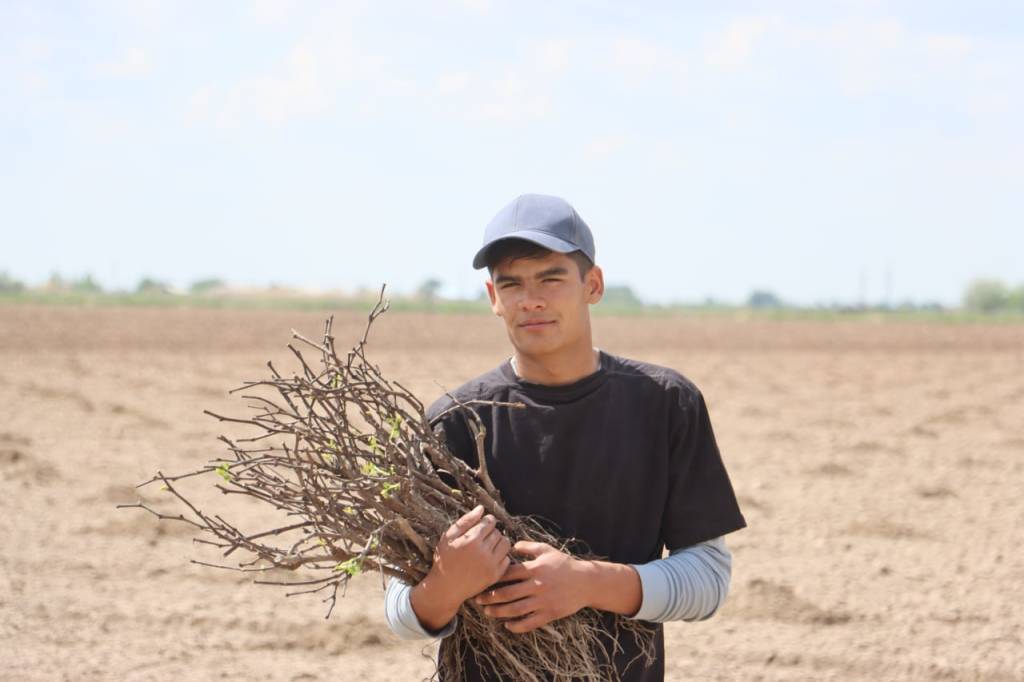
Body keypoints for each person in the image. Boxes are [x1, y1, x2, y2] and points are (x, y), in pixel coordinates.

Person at [383, 193, 747, 681]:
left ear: (591, 284)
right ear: (494, 299)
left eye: (550, 278)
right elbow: (399, 611)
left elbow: (707, 578)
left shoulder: (664, 404)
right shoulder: (453, 421)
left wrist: (586, 583)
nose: (530, 299)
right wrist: (446, 585)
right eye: (511, 283)